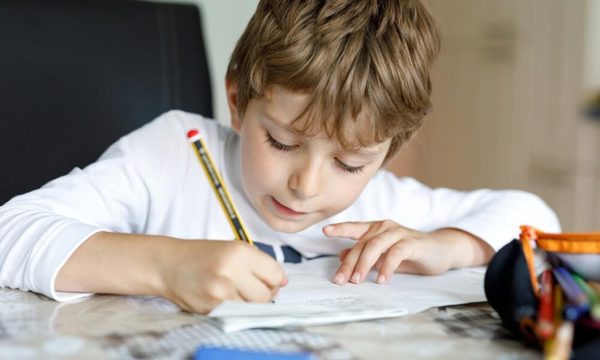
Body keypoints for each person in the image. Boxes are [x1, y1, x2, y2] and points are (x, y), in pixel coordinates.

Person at [0, 0, 559, 314]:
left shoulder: (380, 208)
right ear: (240, 101)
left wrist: (446, 246)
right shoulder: (174, 154)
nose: (307, 185)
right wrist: (167, 264)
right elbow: (11, 231)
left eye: (349, 163)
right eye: (284, 143)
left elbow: (535, 217)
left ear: (389, 150)